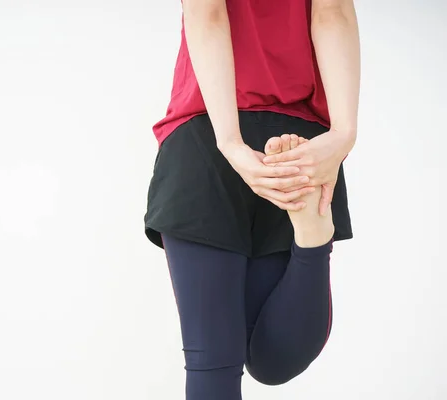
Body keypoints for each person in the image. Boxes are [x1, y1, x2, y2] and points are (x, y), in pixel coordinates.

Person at [143, 0, 360, 398]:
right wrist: (343, 134)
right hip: (301, 143)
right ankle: (311, 239)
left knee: (214, 363)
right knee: (274, 361)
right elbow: (332, 13)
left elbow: (207, 14)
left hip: (205, 134)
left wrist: (230, 142)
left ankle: (311, 237)